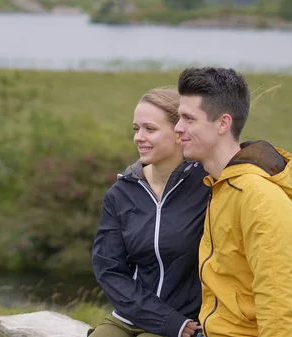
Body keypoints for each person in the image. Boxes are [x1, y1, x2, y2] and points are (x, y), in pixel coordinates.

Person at [173, 67, 292, 337]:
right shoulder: (221, 185)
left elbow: (276, 309)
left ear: (222, 124)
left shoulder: (259, 200)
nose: (178, 128)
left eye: (188, 119)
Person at [89, 87, 210, 337]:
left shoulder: (206, 186)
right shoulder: (121, 193)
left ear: (179, 133)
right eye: (136, 129)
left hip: (185, 321)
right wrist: (162, 318)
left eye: (150, 129)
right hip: (130, 316)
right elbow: (109, 269)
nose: (138, 137)